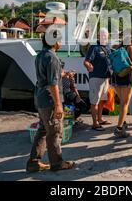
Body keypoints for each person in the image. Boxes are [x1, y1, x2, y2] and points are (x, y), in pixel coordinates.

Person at [26, 29, 75, 173]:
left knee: (42, 130)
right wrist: (58, 105)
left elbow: (51, 75)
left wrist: (65, 74)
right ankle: (57, 163)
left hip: (40, 98)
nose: (61, 43)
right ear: (55, 42)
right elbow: (53, 83)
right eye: (59, 40)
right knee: (54, 131)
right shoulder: (53, 58)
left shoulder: (41, 55)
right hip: (49, 101)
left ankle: (33, 163)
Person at [84, 28, 112, 131]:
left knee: (103, 100)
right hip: (96, 78)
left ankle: (100, 119)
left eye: (106, 35)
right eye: (102, 35)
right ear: (98, 37)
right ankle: (95, 123)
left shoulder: (108, 47)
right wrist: (89, 66)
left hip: (105, 78)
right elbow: (86, 61)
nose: (104, 37)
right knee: (94, 101)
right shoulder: (94, 48)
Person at [111, 32, 132, 138]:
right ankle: (119, 128)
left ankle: (123, 122)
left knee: (122, 102)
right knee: (125, 104)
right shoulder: (130, 48)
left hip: (116, 77)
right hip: (126, 78)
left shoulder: (118, 47)